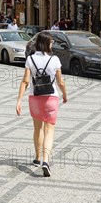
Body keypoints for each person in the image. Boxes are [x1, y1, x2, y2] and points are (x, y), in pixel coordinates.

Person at [16, 31, 67, 177]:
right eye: (51, 42)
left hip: (35, 98)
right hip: (51, 98)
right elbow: (60, 82)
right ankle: (46, 160)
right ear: (46, 43)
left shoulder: (30, 59)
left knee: (37, 129)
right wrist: (65, 95)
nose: (52, 44)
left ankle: (37, 158)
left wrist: (19, 100)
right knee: (49, 131)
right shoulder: (55, 60)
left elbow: (25, 81)